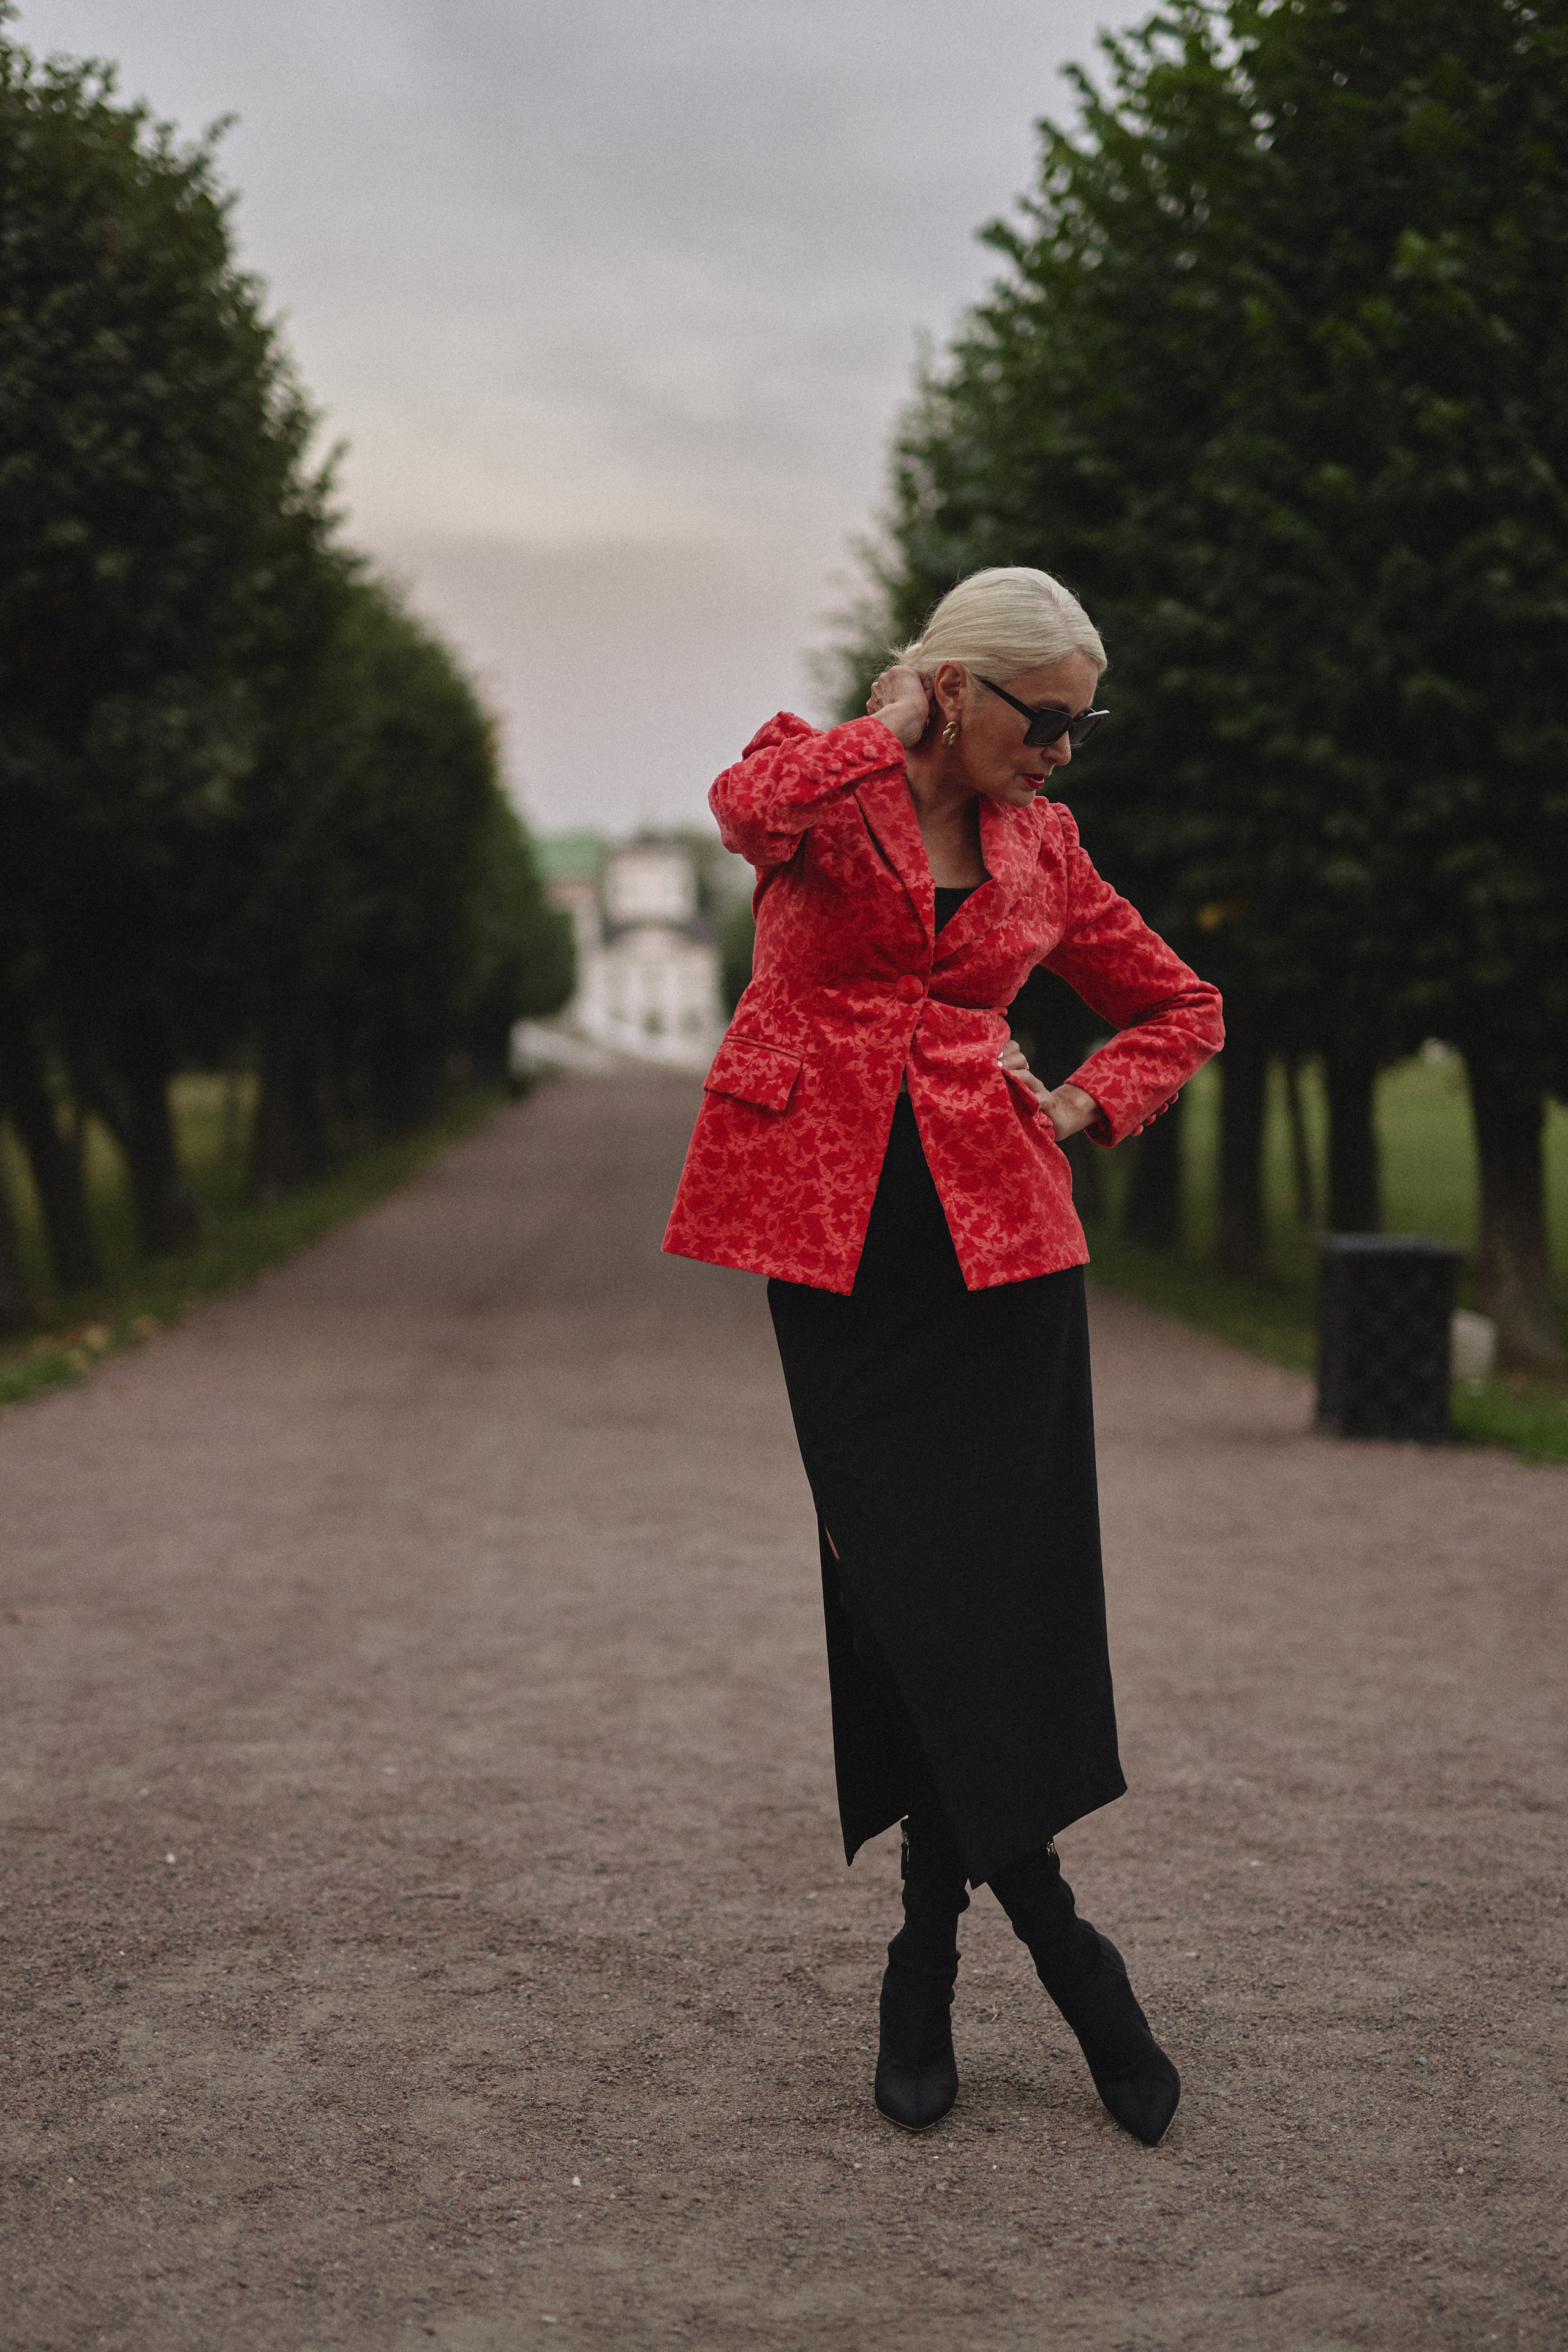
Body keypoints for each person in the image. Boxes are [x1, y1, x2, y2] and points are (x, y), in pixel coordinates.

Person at [663, 565, 1224, 2143]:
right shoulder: (822, 781)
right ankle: (1052, 1933)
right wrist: (884, 726)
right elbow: (738, 806)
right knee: (898, 1581)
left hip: (1002, 1251)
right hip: (836, 1245)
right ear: (957, 691)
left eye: (1082, 724)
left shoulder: (1046, 842)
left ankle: (927, 1943)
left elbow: (1180, 1005)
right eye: (1043, 718)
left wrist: (1078, 1104)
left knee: (992, 1591)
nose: (1061, 751)